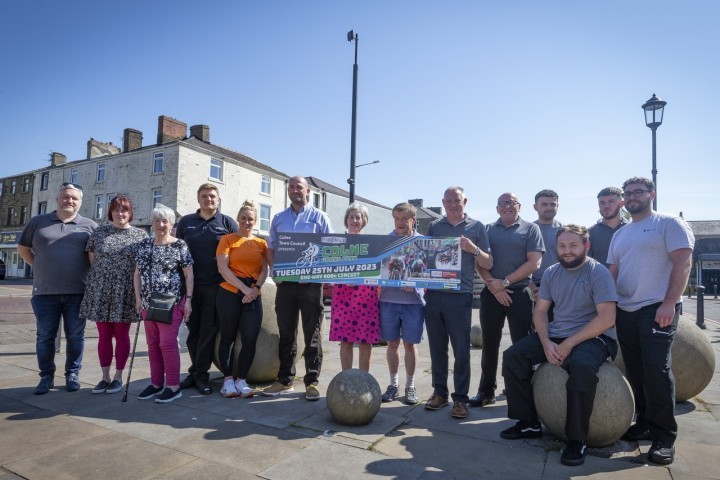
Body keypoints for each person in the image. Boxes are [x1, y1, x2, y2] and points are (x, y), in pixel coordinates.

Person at [501, 225, 618, 467]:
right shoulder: (552, 272)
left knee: (581, 367)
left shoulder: (598, 273)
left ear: (585, 246)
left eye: (573, 245)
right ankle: (529, 423)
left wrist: (569, 344)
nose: (567, 251)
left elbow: (607, 318)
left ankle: (577, 439)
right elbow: (541, 311)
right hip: (557, 333)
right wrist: (545, 343)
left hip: (593, 336)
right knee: (514, 356)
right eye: (562, 246)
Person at [607, 177, 694, 465]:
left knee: (657, 371)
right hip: (626, 310)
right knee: (636, 369)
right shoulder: (620, 234)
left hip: (657, 307)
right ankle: (644, 423)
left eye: (638, 192)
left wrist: (669, 302)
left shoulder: (668, 224)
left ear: (651, 194)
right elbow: (613, 273)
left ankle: (664, 438)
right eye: (627, 194)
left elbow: (683, 263)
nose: (632, 197)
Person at [18, 182, 98, 395]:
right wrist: (37, 265)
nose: (69, 201)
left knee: (76, 337)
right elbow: (23, 248)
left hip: (79, 293)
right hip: (44, 293)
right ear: (58, 199)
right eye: (66, 197)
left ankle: (72, 374)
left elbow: (96, 258)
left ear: (80, 201)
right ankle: (46, 377)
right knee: (45, 336)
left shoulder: (90, 226)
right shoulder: (37, 222)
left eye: (74, 198)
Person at [424, 187, 492, 419]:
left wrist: (473, 249)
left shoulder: (477, 227)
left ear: (465, 201)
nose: (453, 204)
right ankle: (439, 393)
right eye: (448, 201)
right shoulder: (435, 226)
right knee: (437, 348)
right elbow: (425, 257)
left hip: (460, 295)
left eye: (457, 200)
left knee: (461, 350)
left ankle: (460, 399)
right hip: (434, 293)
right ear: (443, 203)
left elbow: (489, 262)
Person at [263, 176, 333, 401]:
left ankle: (312, 382)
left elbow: (329, 249)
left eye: (299, 187)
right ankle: (285, 380)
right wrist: (276, 272)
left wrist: (315, 274)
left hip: (311, 285)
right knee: (286, 333)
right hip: (286, 286)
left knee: (312, 334)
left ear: (308, 191)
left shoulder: (320, 218)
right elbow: (270, 248)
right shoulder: (279, 218)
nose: (295, 190)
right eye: (291, 187)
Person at [472, 193, 543, 407]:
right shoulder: (487, 230)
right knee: (489, 344)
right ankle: (486, 391)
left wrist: (504, 283)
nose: (507, 207)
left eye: (511, 203)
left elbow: (534, 263)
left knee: (521, 344)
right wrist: (494, 287)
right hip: (492, 293)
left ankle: (520, 393)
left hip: (519, 292)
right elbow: (479, 262)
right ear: (497, 208)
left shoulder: (531, 229)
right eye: (503, 203)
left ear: (519, 206)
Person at [80, 195, 148, 394]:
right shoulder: (99, 233)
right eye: (117, 210)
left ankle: (118, 376)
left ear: (130, 213)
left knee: (121, 334)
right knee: (104, 335)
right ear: (110, 212)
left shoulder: (140, 236)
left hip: (125, 291)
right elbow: (92, 259)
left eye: (124, 210)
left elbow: (142, 266)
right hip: (101, 290)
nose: (120, 214)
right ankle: (104, 377)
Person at [175, 183, 239, 395]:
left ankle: (200, 375)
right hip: (190, 288)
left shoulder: (227, 223)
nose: (208, 199)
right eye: (204, 196)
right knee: (192, 333)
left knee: (208, 332)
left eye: (212, 196)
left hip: (217, 287)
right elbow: (177, 253)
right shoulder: (186, 222)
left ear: (218, 199)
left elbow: (238, 253)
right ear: (198, 198)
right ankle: (196, 372)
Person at [134, 204, 194, 403]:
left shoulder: (179, 245)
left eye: (165, 221)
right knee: (152, 344)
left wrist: (188, 301)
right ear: (151, 223)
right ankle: (156, 383)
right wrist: (138, 298)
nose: (161, 224)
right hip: (148, 303)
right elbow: (137, 273)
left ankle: (173, 386)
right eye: (157, 221)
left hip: (171, 302)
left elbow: (189, 275)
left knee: (167, 344)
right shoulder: (144, 245)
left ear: (171, 224)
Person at [215, 200, 268, 398]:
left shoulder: (261, 243)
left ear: (255, 221)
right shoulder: (227, 240)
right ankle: (227, 380)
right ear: (238, 219)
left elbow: (264, 269)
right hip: (229, 292)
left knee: (249, 339)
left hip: (253, 295)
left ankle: (242, 380)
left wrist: (255, 289)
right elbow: (223, 268)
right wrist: (244, 288)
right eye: (244, 218)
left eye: (251, 219)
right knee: (227, 337)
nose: (247, 222)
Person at [379, 202, 425, 406]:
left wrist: (415, 282)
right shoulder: (384, 242)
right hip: (388, 299)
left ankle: (410, 385)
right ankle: (393, 384)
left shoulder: (424, 242)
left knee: (410, 344)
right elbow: (377, 269)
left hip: (413, 302)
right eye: (396, 218)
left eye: (403, 219)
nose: (399, 223)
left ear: (413, 220)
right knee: (392, 344)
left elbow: (430, 271)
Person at [330, 203, 379, 371]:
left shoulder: (371, 243)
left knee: (365, 341)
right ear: (346, 220)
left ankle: (364, 379)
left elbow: (377, 269)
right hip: (343, 295)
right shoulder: (337, 243)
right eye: (351, 217)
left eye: (358, 217)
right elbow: (331, 267)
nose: (354, 220)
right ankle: (346, 377)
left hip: (366, 295)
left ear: (363, 221)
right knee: (346, 340)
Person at [530, 189, 563, 298]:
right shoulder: (527, 231)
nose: (549, 207)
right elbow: (519, 262)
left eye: (552, 204)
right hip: (531, 287)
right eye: (544, 204)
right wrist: (532, 287)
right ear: (535, 207)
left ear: (558, 206)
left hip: (559, 285)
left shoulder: (566, 232)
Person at [588, 187, 628, 267]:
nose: (606, 206)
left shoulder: (632, 230)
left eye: (611, 201)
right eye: (602, 202)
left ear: (621, 204)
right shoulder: (589, 233)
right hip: (599, 279)